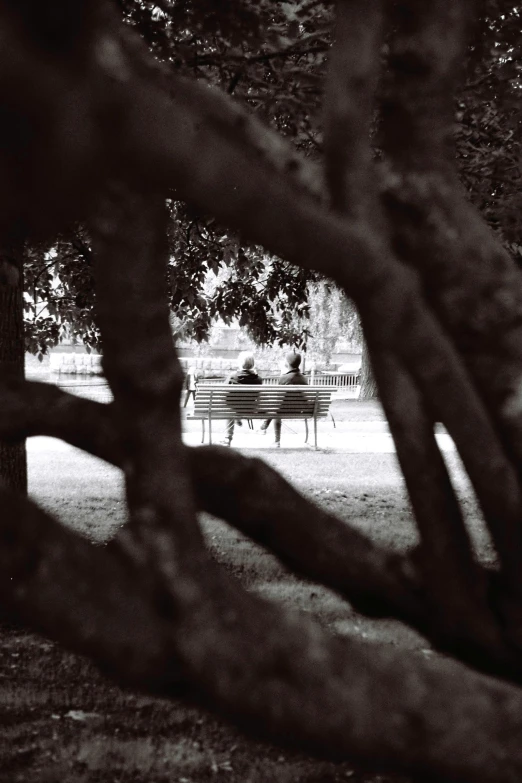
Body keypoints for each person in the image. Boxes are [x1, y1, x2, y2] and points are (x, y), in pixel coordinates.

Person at [260, 351, 308, 447]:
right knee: (276, 408)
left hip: (283, 410)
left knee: (275, 408)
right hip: (301, 410)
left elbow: (278, 399)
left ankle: (276, 440)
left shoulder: (283, 378)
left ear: (287, 363)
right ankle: (264, 425)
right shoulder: (304, 378)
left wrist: (284, 375)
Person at [221, 351, 263, 446]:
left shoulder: (233, 376)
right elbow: (258, 396)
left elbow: (223, 394)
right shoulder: (258, 379)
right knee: (233, 408)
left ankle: (228, 438)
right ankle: (237, 417)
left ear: (240, 363)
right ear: (253, 364)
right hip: (250, 409)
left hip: (234, 409)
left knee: (230, 409)